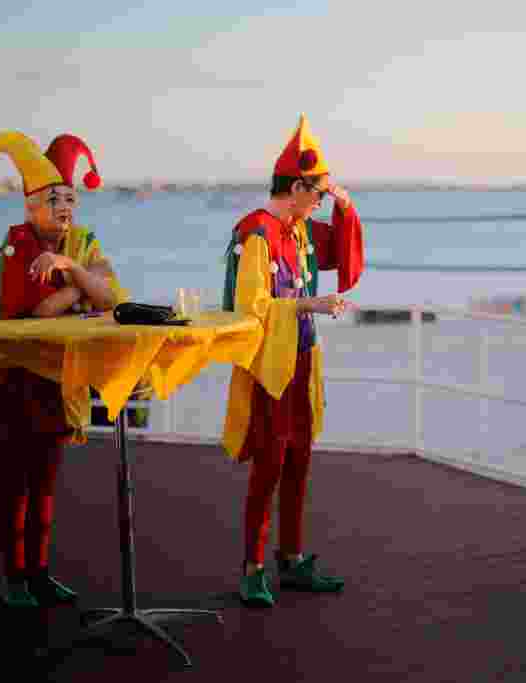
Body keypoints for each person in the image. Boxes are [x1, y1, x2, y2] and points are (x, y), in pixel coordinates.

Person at [0, 131, 125, 607]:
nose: (65, 206)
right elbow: (37, 312)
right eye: (53, 198)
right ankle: (14, 578)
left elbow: (113, 296)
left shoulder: (83, 241)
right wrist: (82, 288)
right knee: (12, 485)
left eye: (71, 197)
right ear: (31, 205)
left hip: (55, 377)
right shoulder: (17, 243)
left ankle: (39, 573)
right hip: (12, 378)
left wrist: (73, 274)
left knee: (47, 483)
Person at [221, 115, 364, 607]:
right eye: (317, 193)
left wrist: (344, 204)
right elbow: (252, 307)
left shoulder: (299, 230)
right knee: (269, 462)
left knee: (300, 457)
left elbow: (342, 256)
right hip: (269, 363)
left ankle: (292, 558)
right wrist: (311, 304)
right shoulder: (257, 233)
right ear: (297, 186)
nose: (321, 202)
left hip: (302, 357)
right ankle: (253, 566)